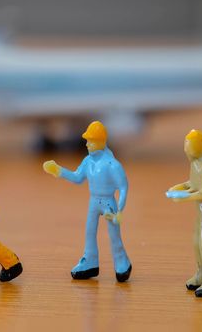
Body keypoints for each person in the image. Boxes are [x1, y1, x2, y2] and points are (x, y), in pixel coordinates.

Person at [43, 121, 132, 282]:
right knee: (89, 232)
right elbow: (77, 178)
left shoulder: (112, 164)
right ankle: (90, 261)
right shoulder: (88, 162)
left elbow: (123, 187)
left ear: (100, 141)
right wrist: (59, 171)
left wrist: (119, 209)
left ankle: (122, 263)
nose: (86, 144)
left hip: (108, 203)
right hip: (94, 201)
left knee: (114, 235)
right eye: (87, 140)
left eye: (90, 140)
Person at [166, 129, 202, 297]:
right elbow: (193, 183)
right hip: (200, 210)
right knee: (197, 242)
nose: (186, 150)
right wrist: (180, 188)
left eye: (188, 146)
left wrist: (184, 197)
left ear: (198, 146)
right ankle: (201, 274)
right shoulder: (196, 164)